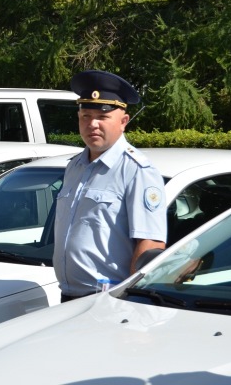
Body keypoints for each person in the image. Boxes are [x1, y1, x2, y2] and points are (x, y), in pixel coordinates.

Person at [53, 70, 167, 302]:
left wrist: (132, 301)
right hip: (68, 297)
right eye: (85, 116)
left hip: (109, 301)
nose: (92, 124)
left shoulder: (137, 171)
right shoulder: (74, 167)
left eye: (102, 117)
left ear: (124, 121)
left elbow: (151, 244)